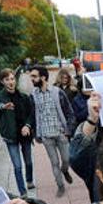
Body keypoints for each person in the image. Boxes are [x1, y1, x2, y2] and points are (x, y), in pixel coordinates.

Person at [30, 65, 76, 197]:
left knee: (67, 159)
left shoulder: (57, 92)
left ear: (43, 77)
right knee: (54, 162)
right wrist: (35, 133)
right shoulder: (33, 95)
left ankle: (65, 170)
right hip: (46, 136)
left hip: (61, 133)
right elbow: (32, 115)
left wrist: (69, 131)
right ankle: (60, 186)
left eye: (34, 76)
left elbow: (69, 112)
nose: (31, 79)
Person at [0, 68, 36, 196]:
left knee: (28, 161)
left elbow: (31, 113)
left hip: (25, 134)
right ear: (2, 82)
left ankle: (29, 180)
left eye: (12, 79)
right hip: (11, 136)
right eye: (7, 80)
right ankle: (22, 191)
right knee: (17, 165)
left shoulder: (23, 96)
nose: (10, 82)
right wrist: (3, 106)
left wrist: (27, 126)